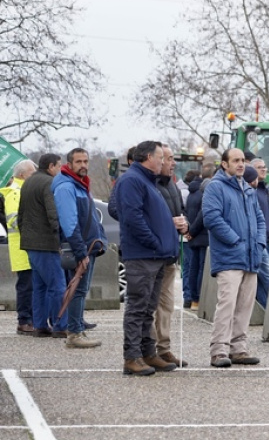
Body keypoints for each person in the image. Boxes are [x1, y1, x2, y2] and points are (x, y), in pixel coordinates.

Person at [115, 141, 181, 376]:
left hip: (156, 256)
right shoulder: (132, 180)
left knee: (148, 308)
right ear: (147, 157)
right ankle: (132, 357)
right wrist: (154, 241)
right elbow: (132, 217)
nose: (164, 162)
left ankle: (148, 353)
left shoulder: (147, 180)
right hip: (143, 255)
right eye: (160, 157)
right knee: (137, 307)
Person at [202, 148, 265, 368]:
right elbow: (212, 218)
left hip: (251, 256)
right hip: (229, 256)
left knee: (245, 305)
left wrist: (259, 242)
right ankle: (219, 350)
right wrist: (236, 240)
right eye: (235, 161)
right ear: (224, 164)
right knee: (227, 304)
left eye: (242, 161)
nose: (240, 164)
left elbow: (260, 219)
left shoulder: (248, 190)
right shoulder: (215, 188)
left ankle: (239, 349)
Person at [52, 148, 107, 349]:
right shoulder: (66, 187)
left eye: (86, 161)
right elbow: (69, 223)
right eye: (79, 162)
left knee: (81, 290)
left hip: (87, 245)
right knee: (77, 290)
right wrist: (81, 252)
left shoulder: (79, 184)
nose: (83, 165)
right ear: (70, 164)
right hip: (80, 247)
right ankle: (74, 333)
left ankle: (77, 329)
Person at [19, 154, 68, 338]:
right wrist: (60, 237)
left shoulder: (28, 183)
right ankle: (60, 325)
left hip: (30, 243)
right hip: (46, 243)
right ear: (50, 166)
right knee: (57, 285)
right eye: (59, 166)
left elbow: (21, 214)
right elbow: (52, 213)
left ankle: (40, 325)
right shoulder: (49, 183)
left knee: (39, 287)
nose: (60, 170)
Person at [149, 144, 189, 368]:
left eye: (174, 159)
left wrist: (184, 223)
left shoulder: (172, 186)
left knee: (166, 306)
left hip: (170, 254)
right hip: (153, 256)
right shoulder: (149, 186)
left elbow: (180, 213)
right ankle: (150, 349)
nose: (173, 163)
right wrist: (169, 223)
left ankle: (164, 349)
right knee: (149, 306)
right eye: (169, 159)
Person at [1, 159, 37, 335]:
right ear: (22, 174)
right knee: (25, 285)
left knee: (30, 284)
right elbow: (15, 221)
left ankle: (29, 319)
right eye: (32, 172)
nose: (35, 175)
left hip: (27, 245)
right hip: (21, 247)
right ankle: (24, 321)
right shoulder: (15, 193)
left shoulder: (23, 190)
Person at [184, 165, 214, 309]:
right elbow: (203, 216)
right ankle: (199, 298)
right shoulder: (204, 194)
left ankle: (192, 298)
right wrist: (193, 231)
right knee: (202, 268)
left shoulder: (192, 194)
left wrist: (189, 232)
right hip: (202, 236)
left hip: (193, 237)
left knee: (192, 268)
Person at [251, 159, 269, 307]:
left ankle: (265, 308)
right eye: (260, 167)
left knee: (260, 277)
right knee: (267, 275)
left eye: (265, 167)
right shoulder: (252, 190)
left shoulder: (264, 189)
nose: (264, 169)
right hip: (259, 239)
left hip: (268, 237)